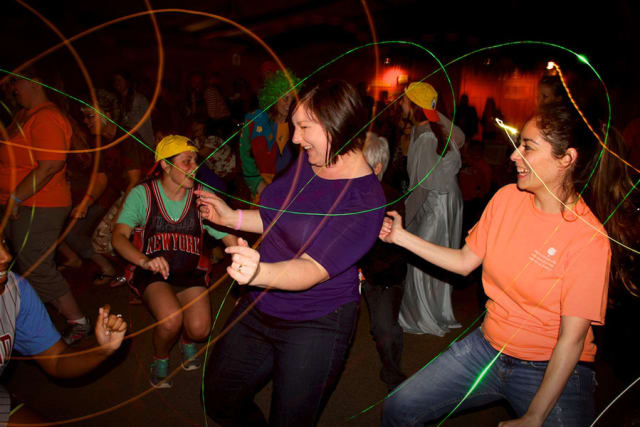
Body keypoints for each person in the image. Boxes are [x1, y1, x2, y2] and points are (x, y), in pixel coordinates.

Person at [380, 101, 638, 426]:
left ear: (566, 159)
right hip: (487, 348)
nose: (514, 155)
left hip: (550, 365)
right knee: (398, 407)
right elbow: (463, 262)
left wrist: (535, 415)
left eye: (528, 148)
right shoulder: (506, 199)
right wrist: (400, 237)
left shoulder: (588, 238)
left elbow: (571, 341)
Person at [197, 79, 386, 426]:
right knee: (219, 396)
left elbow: (309, 270)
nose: (295, 138)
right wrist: (231, 217)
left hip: (316, 321)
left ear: (336, 123)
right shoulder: (309, 161)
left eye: (303, 127)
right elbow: (280, 217)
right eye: (294, 126)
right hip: (260, 305)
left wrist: (258, 273)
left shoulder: (364, 200)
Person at [112, 135, 236, 389]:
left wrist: (241, 257)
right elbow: (118, 237)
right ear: (166, 166)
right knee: (171, 321)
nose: (195, 166)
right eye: (186, 161)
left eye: (195, 161)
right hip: (152, 273)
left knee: (200, 330)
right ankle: (161, 357)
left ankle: (187, 341)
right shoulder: (143, 194)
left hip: (190, 273)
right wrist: (144, 261)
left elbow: (227, 234)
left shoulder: (203, 196)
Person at [0, 66, 91, 345]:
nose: (12, 89)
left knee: (36, 265)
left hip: (40, 203)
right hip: (20, 203)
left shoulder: (47, 117)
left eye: (16, 82)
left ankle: (78, 321)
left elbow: (50, 165)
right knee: (26, 263)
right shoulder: (23, 116)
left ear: (35, 82)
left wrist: (16, 196)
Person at [0, 238, 127, 425]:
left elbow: (56, 358)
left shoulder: (15, 289)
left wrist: (102, 350)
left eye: (2, 241)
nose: (6, 256)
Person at [398, 82, 464, 336]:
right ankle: (433, 311)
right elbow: (460, 136)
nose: (401, 104)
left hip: (437, 204)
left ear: (414, 106)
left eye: (405, 100)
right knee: (435, 257)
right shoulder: (426, 130)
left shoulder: (426, 137)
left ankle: (422, 316)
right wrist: (431, 111)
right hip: (443, 200)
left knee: (423, 257)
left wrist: (404, 219)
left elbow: (422, 187)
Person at [360, 132, 408, 391]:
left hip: (383, 278)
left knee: (384, 331)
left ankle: (395, 377)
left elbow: (390, 254)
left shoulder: (391, 201)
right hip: (355, 274)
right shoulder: (346, 193)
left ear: (377, 167)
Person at [239, 69, 300, 200]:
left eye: (293, 99)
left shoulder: (300, 124)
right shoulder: (255, 121)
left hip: (290, 192)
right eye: (285, 98)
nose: (289, 105)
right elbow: (245, 157)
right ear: (274, 98)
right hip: (262, 189)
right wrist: (257, 184)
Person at [112, 69, 155, 156]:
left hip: (142, 145)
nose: (117, 83)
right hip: (131, 147)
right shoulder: (118, 101)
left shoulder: (137, 99)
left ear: (127, 81)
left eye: (119, 80)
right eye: (115, 80)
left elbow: (136, 126)